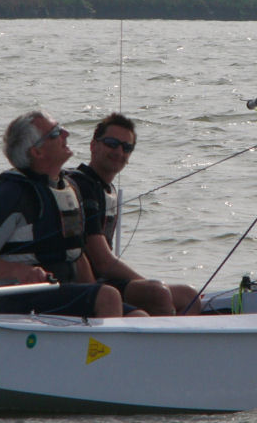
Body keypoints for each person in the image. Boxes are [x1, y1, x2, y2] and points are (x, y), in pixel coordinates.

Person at [0, 110, 146, 318]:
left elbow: (76, 255)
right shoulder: (11, 193)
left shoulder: (68, 189)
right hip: (21, 299)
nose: (66, 134)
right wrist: (20, 271)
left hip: (64, 292)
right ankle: (102, 350)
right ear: (37, 152)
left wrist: (91, 290)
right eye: (55, 133)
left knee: (137, 316)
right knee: (108, 297)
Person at [68, 112, 200, 315]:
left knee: (188, 295)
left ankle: (182, 344)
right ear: (94, 145)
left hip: (109, 281)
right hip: (86, 284)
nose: (119, 151)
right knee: (158, 292)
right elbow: (102, 260)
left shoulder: (106, 189)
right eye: (112, 143)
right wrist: (145, 282)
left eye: (126, 147)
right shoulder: (83, 185)